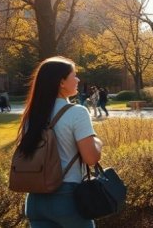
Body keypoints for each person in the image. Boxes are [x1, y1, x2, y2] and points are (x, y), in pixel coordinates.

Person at [18, 56, 102, 227]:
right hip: (66, 198)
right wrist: (98, 142)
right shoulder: (77, 112)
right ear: (61, 82)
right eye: (74, 75)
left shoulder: (31, 115)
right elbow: (91, 158)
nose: (78, 79)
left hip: (35, 200)